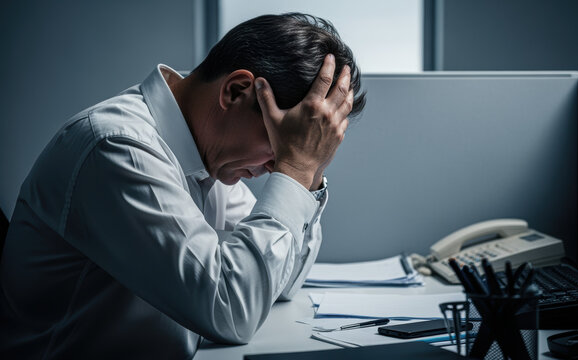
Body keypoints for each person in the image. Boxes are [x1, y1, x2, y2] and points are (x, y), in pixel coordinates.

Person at [0, 13, 366, 359]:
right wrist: (297, 166)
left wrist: (310, 170)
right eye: (282, 143)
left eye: (297, 144)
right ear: (236, 91)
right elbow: (231, 311)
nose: (275, 168)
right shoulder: (116, 149)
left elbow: (280, 283)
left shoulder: (209, 159)